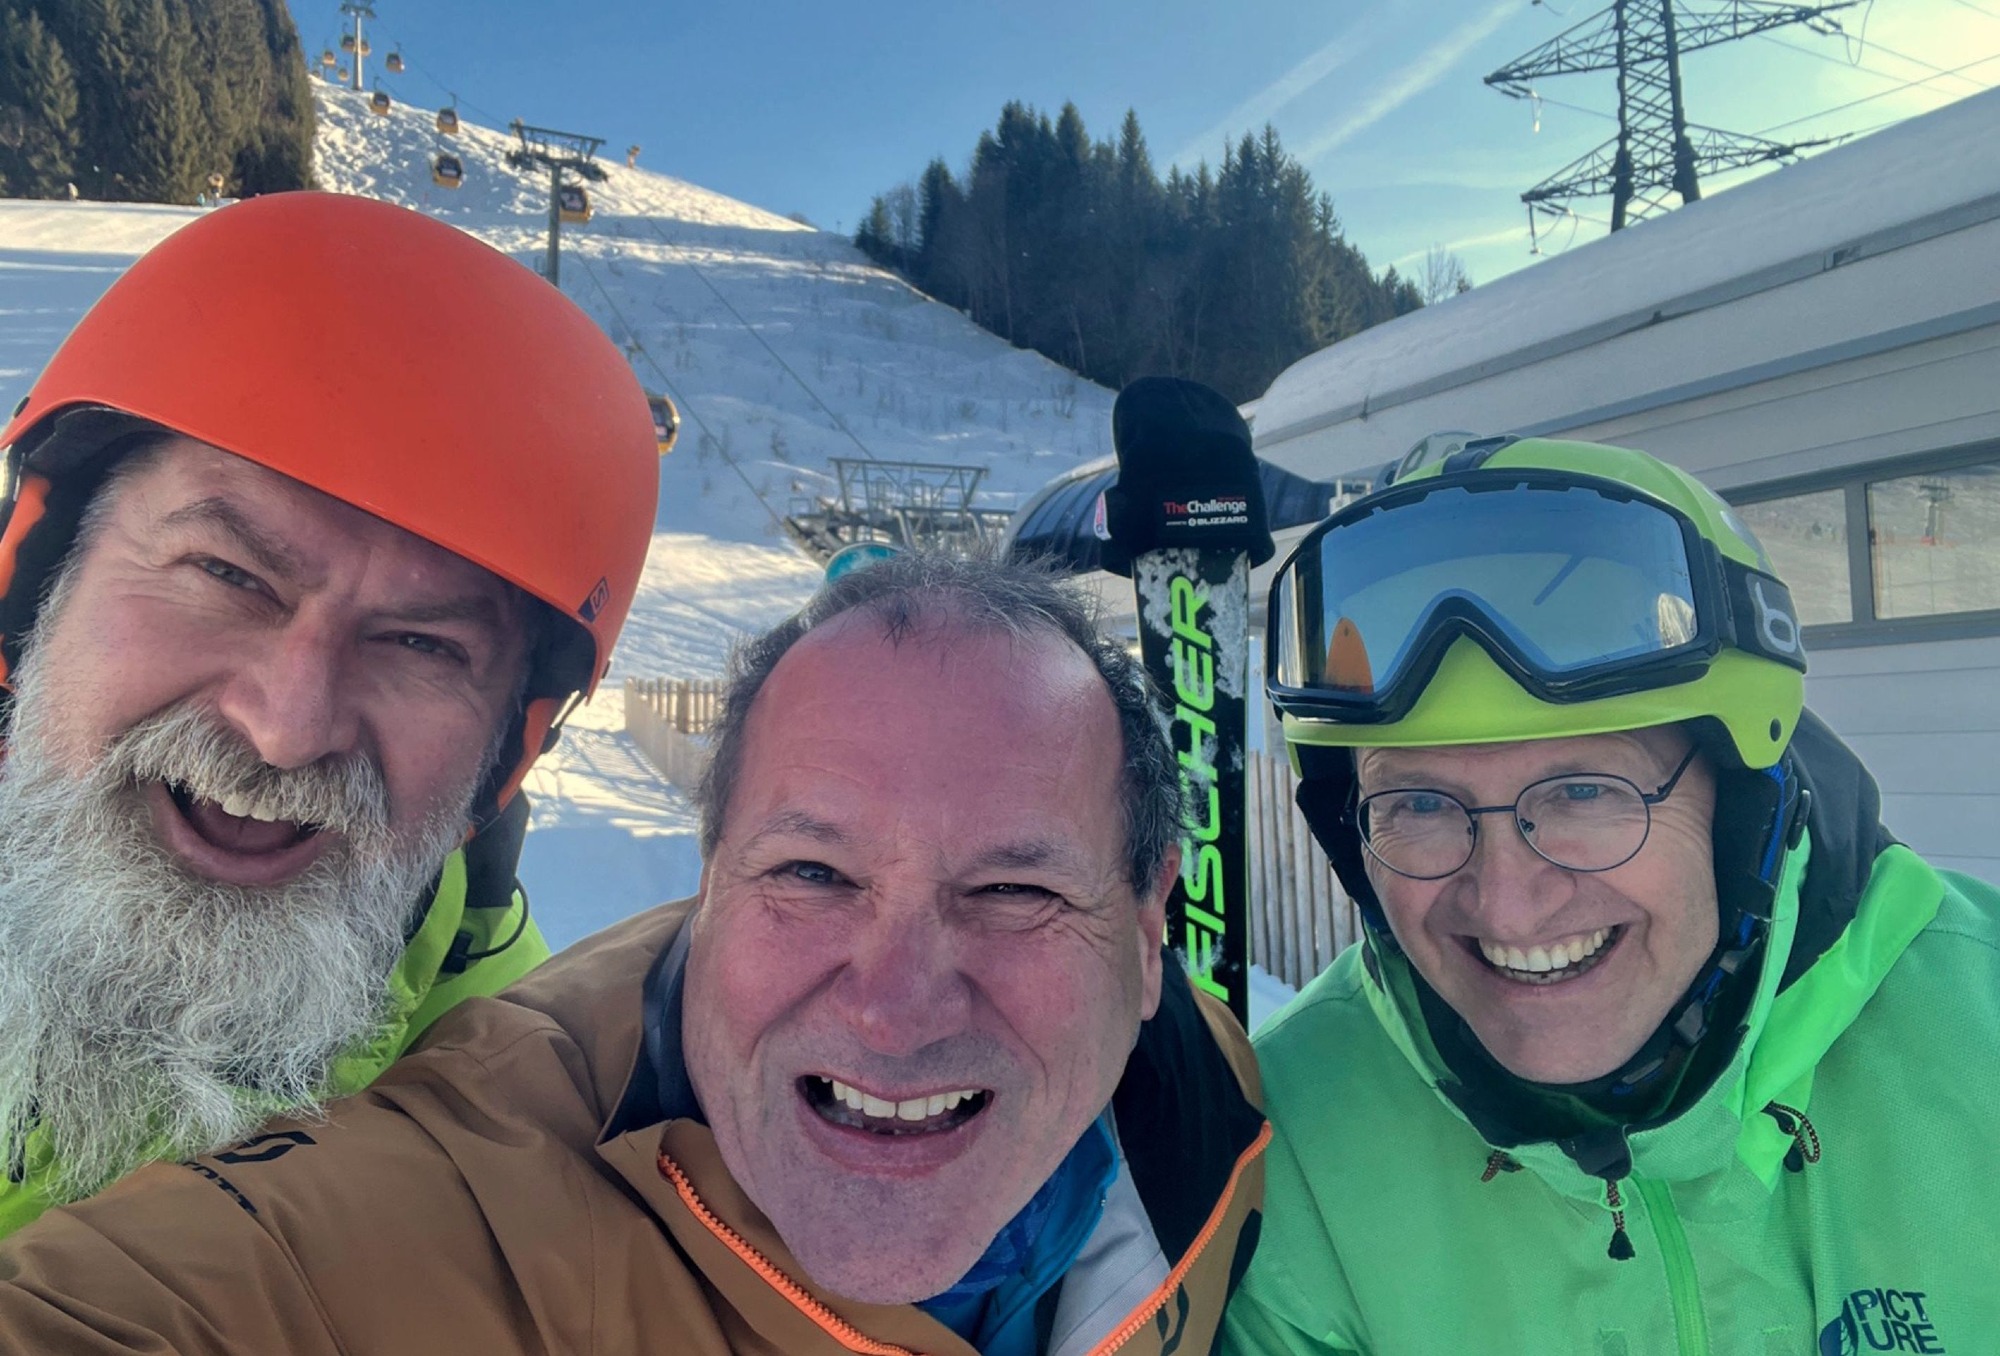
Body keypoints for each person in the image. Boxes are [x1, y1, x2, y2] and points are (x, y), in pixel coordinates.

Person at [0, 552, 1269, 1356]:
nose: (894, 1008)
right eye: (810, 874)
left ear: (1144, 925)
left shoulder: (1213, 1113)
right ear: (710, 884)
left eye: (1010, 891)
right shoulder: (466, 1202)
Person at [1221, 435, 2000, 1353]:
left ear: (1740, 807)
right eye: (1420, 804)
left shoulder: (1980, 1022)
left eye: (1585, 792)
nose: (1507, 906)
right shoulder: (1290, 1146)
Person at [0, 191, 660, 1236]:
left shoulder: (528, 1171)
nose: (288, 728)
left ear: (507, 748)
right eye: (226, 573)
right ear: (38, 583)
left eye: (422, 646)